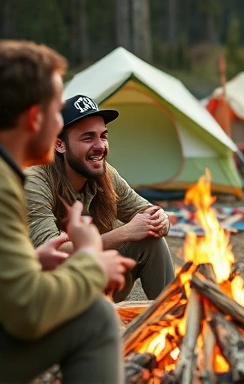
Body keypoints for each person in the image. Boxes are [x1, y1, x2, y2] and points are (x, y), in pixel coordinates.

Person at [0, 40, 135, 382]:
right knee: (97, 317)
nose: (100, 146)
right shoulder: (10, 183)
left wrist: (31, 264)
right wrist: (90, 259)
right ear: (35, 118)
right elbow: (26, 312)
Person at [24, 94, 176, 302]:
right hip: (46, 296)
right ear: (60, 145)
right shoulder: (34, 181)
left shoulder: (104, 173)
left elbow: (146, 212)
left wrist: (161, 221)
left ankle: (174, 316)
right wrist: (125, 233)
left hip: (96, 283)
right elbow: (52, 252)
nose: (100, 146)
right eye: (88, 138)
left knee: (151, 240)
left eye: (103, 136)